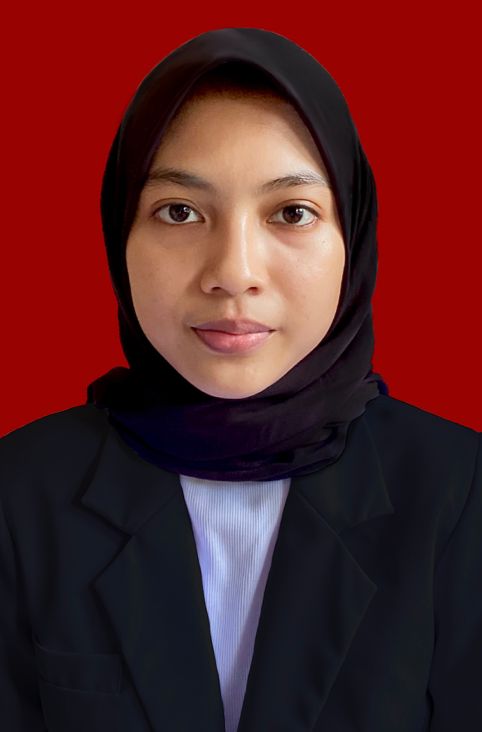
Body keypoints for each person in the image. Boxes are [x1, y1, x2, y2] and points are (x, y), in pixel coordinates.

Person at [0, 26, 480, 732]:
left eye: (291, 213)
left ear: (353, 238)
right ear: (119, 234)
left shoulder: (459, 492)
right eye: (180, 212)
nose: (233, 272)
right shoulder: (19, 493)